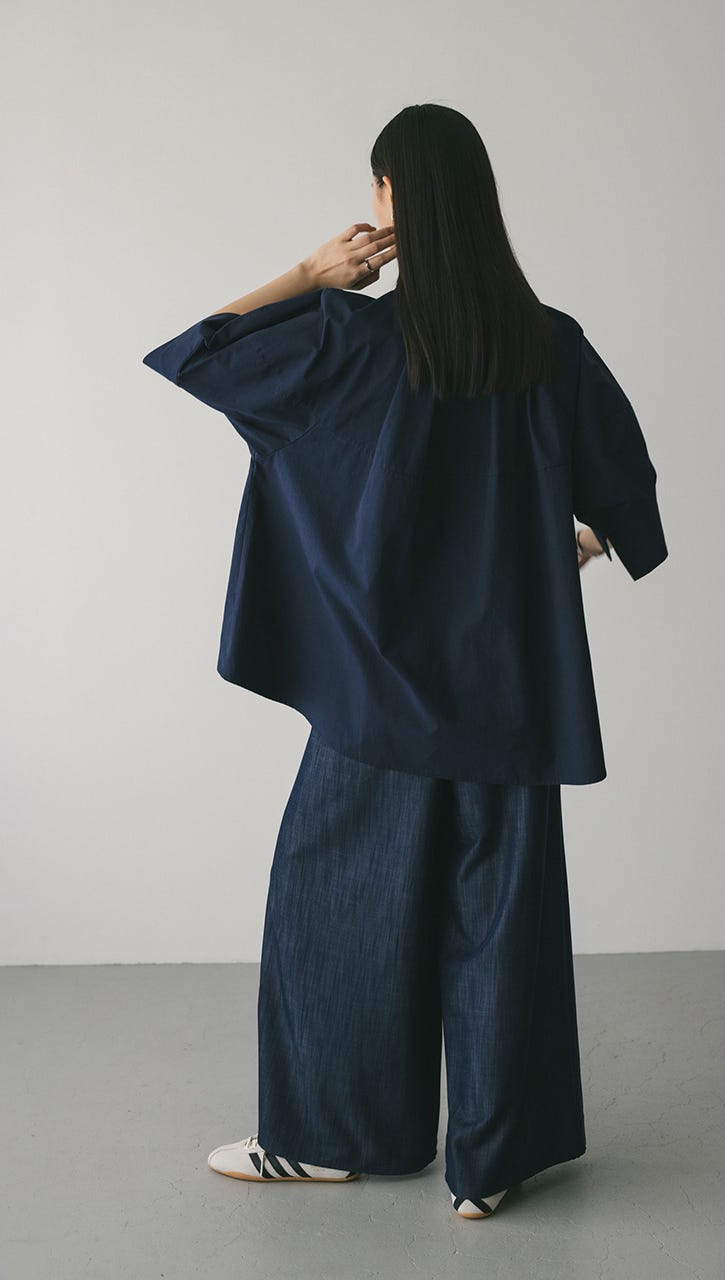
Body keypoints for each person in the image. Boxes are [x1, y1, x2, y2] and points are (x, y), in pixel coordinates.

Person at [142, 103, 668, 1220]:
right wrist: (583, 537)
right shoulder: (548, 344)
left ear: (391, 199)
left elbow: (201, 354)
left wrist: (309, 272)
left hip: (378, 689)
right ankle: (492, 1162)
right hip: (510, 686)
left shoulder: (347, 339)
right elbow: (622, 482)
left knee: (336, 904)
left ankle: (331, 1139)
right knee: (501, 917)